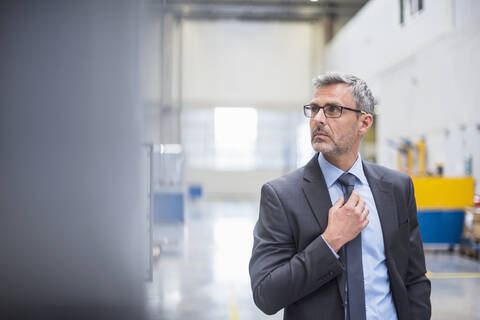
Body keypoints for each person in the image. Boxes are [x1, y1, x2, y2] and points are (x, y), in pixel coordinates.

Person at [249, 72, 431, 320]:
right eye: (314, 109)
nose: (319, 119)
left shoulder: (397, 188)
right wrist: (330, 240)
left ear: (364, 123)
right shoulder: (281, 196)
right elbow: (266, 294)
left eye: (333, 109)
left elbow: (414, 277)